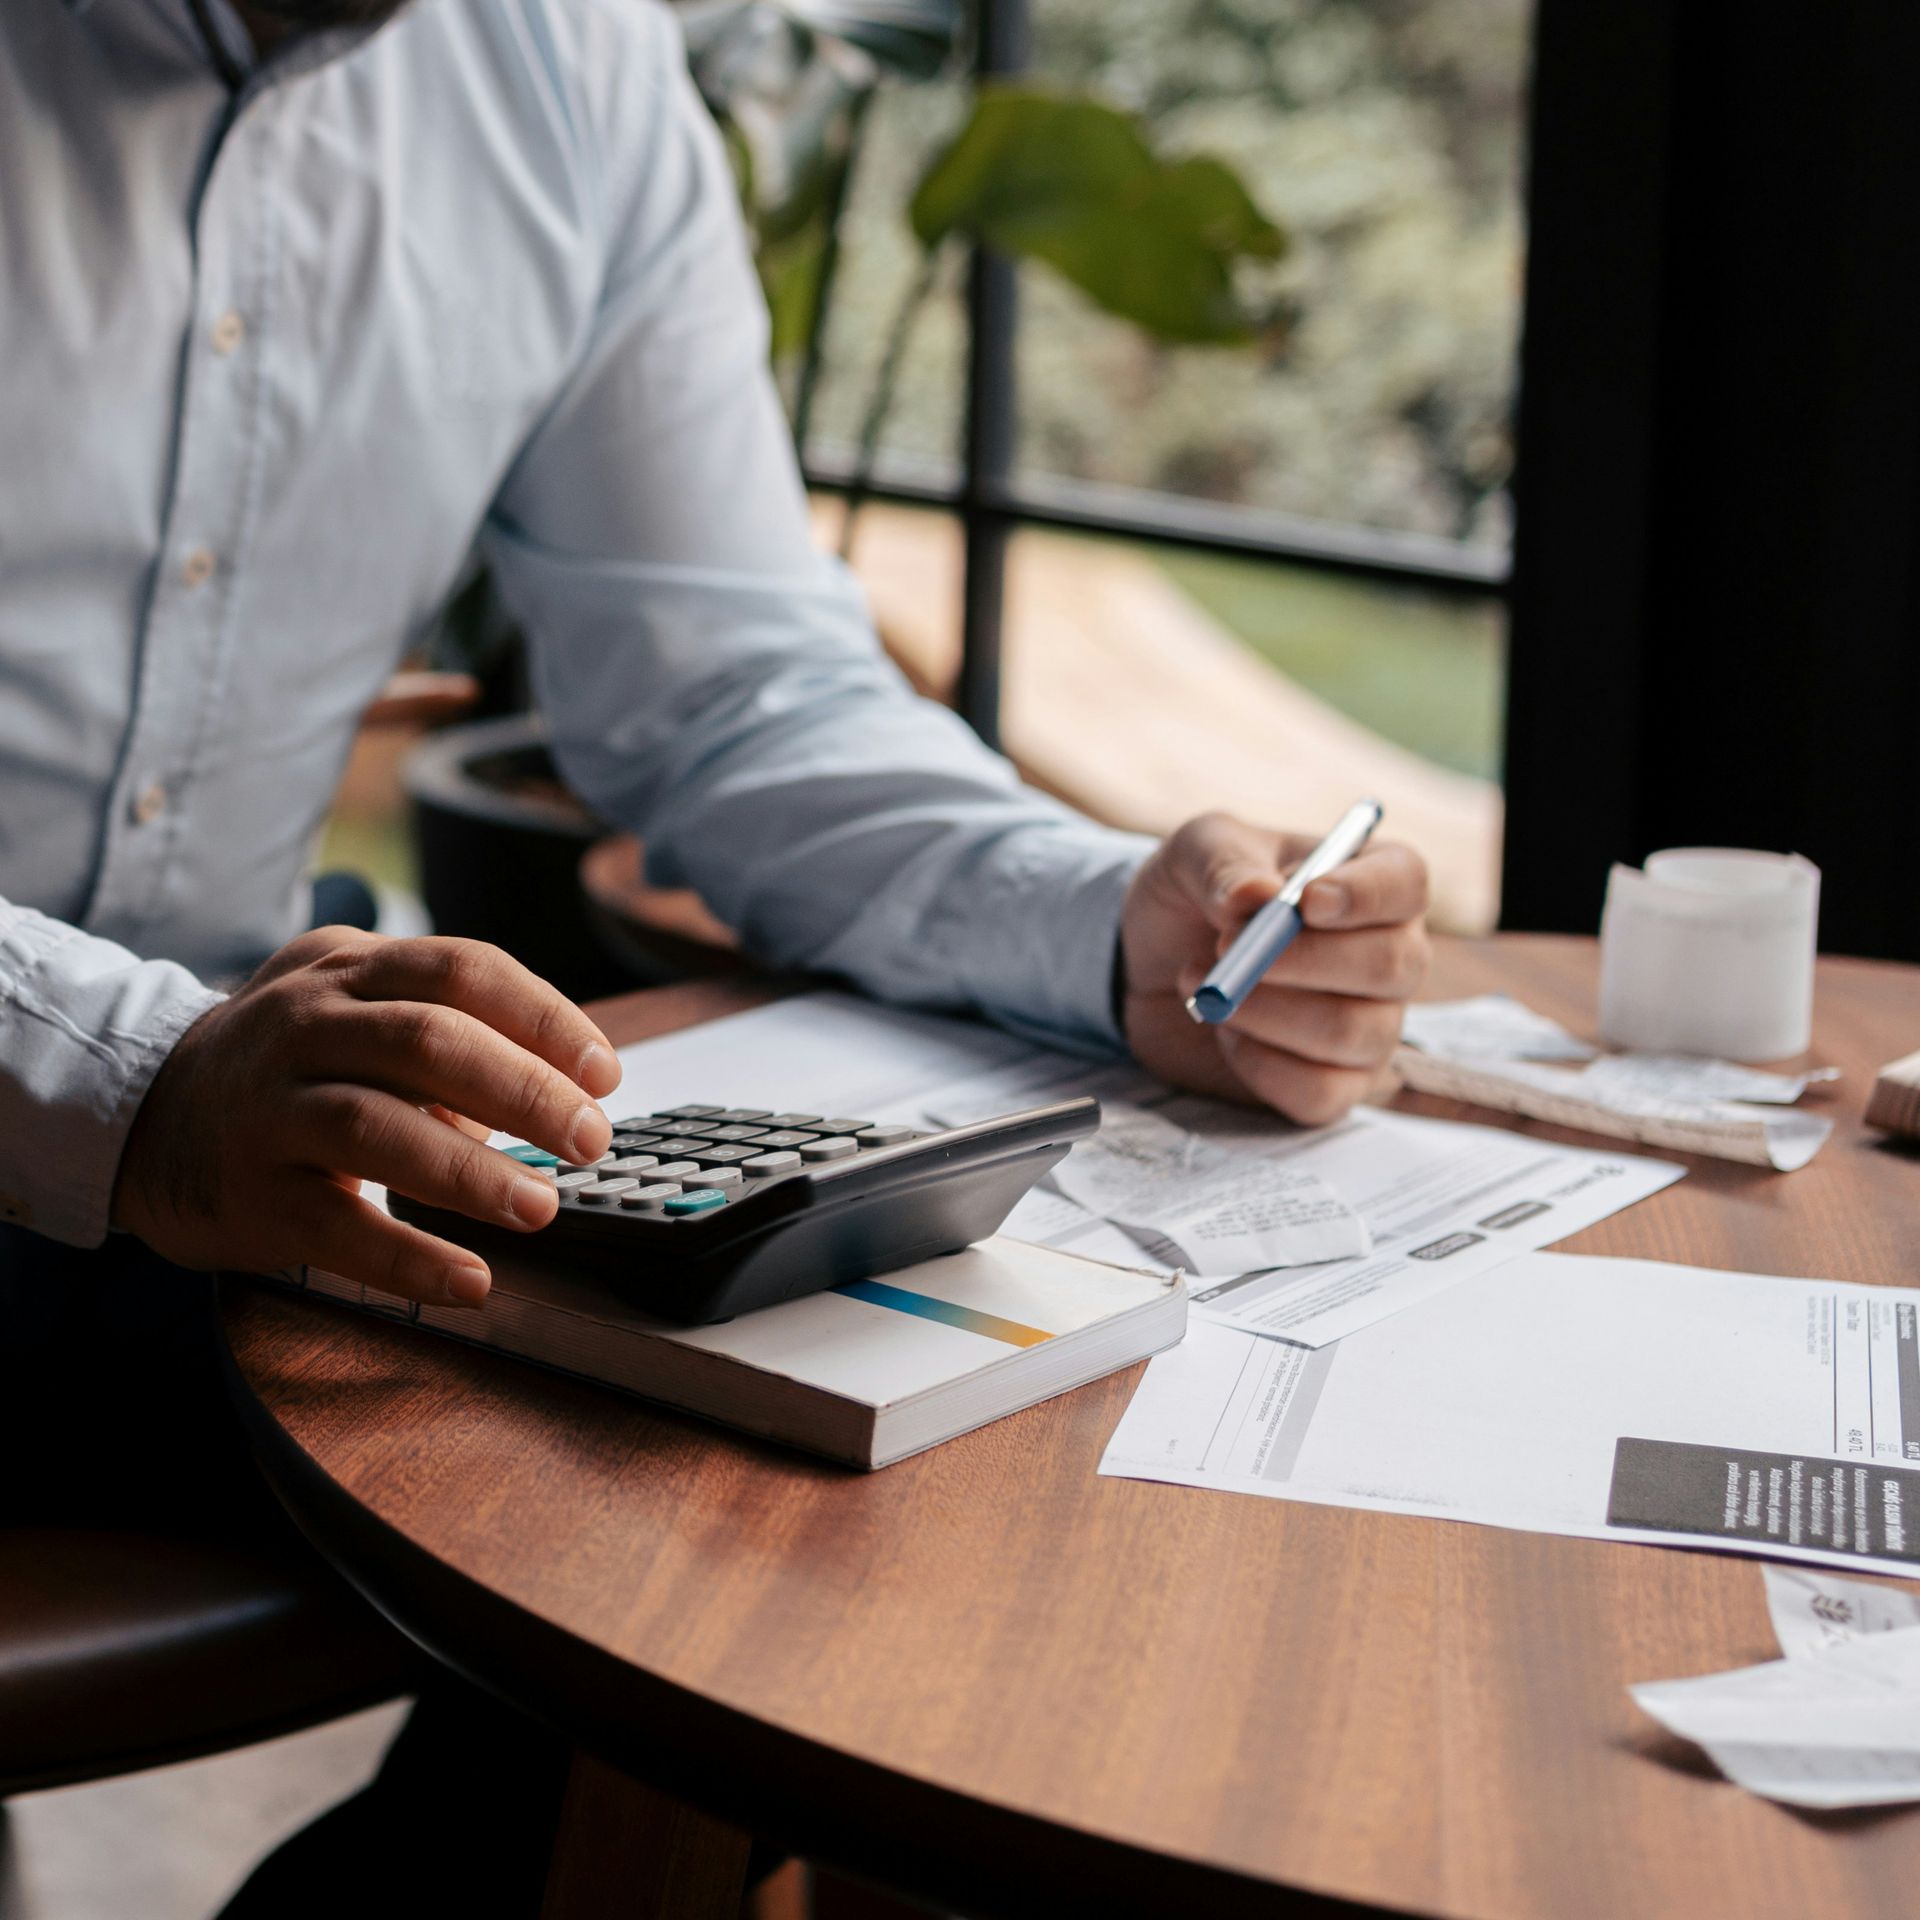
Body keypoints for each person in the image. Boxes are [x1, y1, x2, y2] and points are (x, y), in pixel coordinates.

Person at [0, 0, 1428, 1907]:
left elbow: (732, 688)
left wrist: (1102, 929)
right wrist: (127, 1074)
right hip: (141, 1108)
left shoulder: (565, 70)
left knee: (771, 1539)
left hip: (236, 1198)